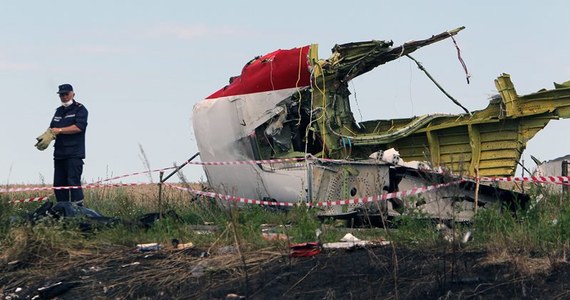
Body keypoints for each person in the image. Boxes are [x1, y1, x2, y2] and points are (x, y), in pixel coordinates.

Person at [35, 83, 88, 206]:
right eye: (61, 95)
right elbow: (52, 128)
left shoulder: (80, 109)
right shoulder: (58, 111)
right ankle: (63, 211)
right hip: (59, 154)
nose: (64, 97)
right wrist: (46, 137)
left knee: (73, 182)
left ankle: (78, 211)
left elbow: (79, 127)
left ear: (72, 94)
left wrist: (60, 130)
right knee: (59, 185)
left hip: (74, 154)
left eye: (66, 94)